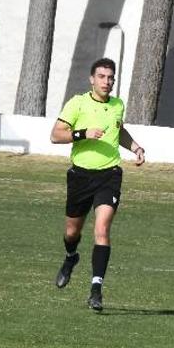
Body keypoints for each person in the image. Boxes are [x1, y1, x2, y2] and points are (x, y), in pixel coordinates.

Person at [49, 57, 145, 311]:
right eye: (102, 77)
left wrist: (135, 147)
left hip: (109, 175)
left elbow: (119, 129)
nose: (106, 81)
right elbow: (55, 135)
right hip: (80, 176)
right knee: (71, 232)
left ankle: (96, 289)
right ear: (92, 79)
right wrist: (82, 134)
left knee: (102, 229)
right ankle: (71, 257)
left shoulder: (117, 105)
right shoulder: (77, 103)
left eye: (110, 77)